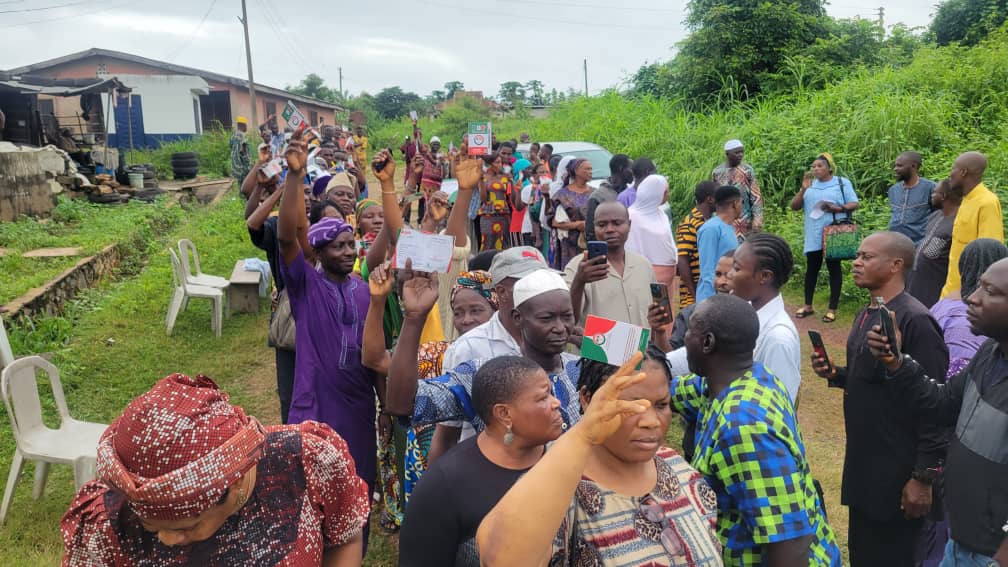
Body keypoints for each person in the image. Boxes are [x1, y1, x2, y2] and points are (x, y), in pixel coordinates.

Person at [60, 373, 369, 566]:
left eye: (186, 527)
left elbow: (345, 539)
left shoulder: (306, 462)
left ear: (235, 486)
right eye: (151, 527)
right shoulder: (106, 524)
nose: (167, 539)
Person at [474, 349, 723, 566]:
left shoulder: (677, 469)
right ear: (586, 399)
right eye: (629, 405)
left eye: (661, 405)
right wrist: (583, 435)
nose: (650, 422)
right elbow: (501, 559)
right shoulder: (558, 488)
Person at [811, 232, 949, 566]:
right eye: (857, 256)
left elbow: (935, 405)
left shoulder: (916, 321)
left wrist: (922, 477)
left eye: (867, 257)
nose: (856, 263)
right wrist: (836, 374)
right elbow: (874, 377)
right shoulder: (869, 312)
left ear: (895, 265)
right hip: (865, 467)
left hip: (898, 473)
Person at [866, 257, 1008, 567]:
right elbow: (942, 404)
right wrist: (897, 362)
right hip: (960, 542)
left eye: (990, 291)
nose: (972, 296)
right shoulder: (990, 354)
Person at [276, 135, 380, 549]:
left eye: (351, 244)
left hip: (357, 404)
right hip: (315, 403)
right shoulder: (306, 286)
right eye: (338, 246)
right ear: (318, 251)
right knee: (310, 490)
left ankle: (354, 549)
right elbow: (287, 238)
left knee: (357, 483)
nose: (348, 252)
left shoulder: (362, 289)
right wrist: (294, 176)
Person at [398, 356, 565, 567]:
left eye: (551, 392)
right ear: (504, 414)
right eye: (543, 398)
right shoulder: (444, 485)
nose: (556, 402)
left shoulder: (567, 461)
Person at [384, 268, 582, 437]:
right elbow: (403, 405)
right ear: (517, 318)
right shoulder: (486, 377)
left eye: (566, 317)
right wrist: (414, 318)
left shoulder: (583, 372)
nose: (560, 327)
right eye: (547, 318)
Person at [727, 233, 802, 403]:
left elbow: (779, 407)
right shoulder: (746, 317)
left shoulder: (778, 339)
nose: (729, 275)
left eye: (737, 269)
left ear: (765, 277)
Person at [791, 153, 859, 324]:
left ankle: (832, 309)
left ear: (829, 168)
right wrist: (803, 190)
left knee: (833, 269)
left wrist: (838, 208)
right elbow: (794, 206)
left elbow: (854, 203)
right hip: (813, 234)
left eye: (820, 166)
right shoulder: (810, 186)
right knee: (811, 270)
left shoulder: (841, 183)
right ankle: (808, 306)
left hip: (834, 233)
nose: (816, 169)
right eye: (814, 166)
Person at [565, 201, 656, 327]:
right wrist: (579, 282)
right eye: (602, 225)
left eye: (617, 223)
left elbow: (654, 316)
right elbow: (567, 320)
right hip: (597, 346)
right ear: (594, 227)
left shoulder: (644, 265)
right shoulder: (577, 267)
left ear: (629, 225)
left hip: (640, 347)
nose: (610, 229)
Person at [930, 238, 1008, 376]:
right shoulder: (966, 323)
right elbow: (955, 384)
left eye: (989, 291)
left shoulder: (945, 301)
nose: (973, 298)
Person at [940, 151, 1004, 299]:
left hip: (967, 297)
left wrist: (974, 297)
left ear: (963, 172)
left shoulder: (987, 202)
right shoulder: (967, 200)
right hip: (951, 291)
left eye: (953, 169)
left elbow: (989, 256)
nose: (950, 174)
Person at [907, 179, 961, 308]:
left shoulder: (959, 221)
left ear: (943, 196)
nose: (931, 196)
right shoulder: (936, 215)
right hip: (917, 281)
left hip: (936, 283)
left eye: (934, 193)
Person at [625, 174, 678, 291]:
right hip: (645, 279)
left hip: (668, 281)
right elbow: (630, 248)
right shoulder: (632, 217)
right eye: (666, 192)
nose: (668, 195)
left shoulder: (661, 214)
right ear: (655, 193)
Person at [695, 185, 742, 303]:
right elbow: (707, 270)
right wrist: (711, 303)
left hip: (725, 296)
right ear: (735, 203)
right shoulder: (711, 229)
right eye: (742, 202)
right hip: (710, 299)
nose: (742, 206)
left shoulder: (729, 227)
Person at [676, 180, 717, 308]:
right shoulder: (689, 224)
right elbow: (682, 260)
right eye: (719, 196)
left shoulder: (710, 222)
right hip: (692, 299)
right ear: (710, 199)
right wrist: (695, 295)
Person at [712, 139, 763, 236]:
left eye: (742, 152)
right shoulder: (717, 172)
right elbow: (716, 199)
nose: (740, 155)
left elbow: (756, 197)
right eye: (736, 152)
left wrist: (757, 219)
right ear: (727, 154)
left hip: (745, 223)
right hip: (725, 222)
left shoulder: (747, 171)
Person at [549, 158, 593, 267]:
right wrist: (577, 225)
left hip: (590, 242)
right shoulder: (563, 195)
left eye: (591, 169)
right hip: (569, 245)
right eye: (587, 169)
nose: (590, 172)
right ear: (576, 171)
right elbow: (554, 222)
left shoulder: (595, 193)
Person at [889, 151, 938, 244]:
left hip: (920, 244)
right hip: (896, 243)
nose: (895, 169)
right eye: (895, 166)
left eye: (900, 166)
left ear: (913, 166)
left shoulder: (930, 188)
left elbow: (939, 216)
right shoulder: (893, 190)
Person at [584, 154, 632, 241]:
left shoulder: (631, 194)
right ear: (621, 169)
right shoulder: (598, 196)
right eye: (631, 168)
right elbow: (590, 232)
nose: (633, 172)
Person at [478, 152, 513, 251]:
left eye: (501, 162)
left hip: (504, 214)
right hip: (488, 214)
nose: (500, 165)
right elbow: (483, 199)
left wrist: (512, 182)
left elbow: (510, 196)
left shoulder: (505, 177)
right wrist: (481, 181)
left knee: (504, 242)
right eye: (497, 162)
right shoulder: (483, 177)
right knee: (488, 242)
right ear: (490, 164)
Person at [230, 116, 251, 184]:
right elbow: (243, 151)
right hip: (242, 167)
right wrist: (248, 165)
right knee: (245, 186)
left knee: (240, 185)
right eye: (246, 125)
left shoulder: (233, 136)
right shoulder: (243, 136)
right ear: (243, 125)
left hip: (235, 167)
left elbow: (231, 148)